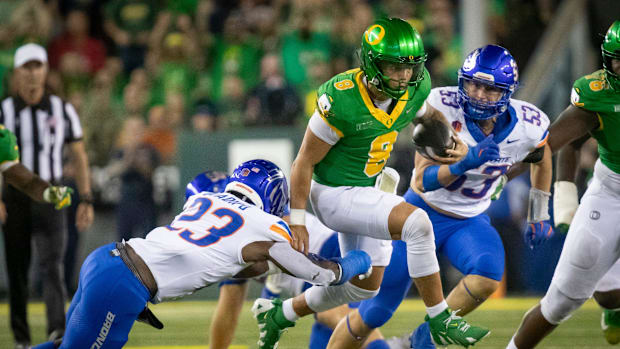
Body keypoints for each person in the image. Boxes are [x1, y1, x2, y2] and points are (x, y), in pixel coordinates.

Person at [252, 17, 490, 349]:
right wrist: (298, 221)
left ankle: (280, 314)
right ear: (371, 62)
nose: (404, 75)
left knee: (364, 288)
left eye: (409, 67)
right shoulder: (342, 99)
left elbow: (426, 118)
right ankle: (440, 317)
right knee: (418, 224)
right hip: (333, 193)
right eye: (394, 66)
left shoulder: (414, 88)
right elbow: (304, 161)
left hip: (365, 189)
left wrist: (451, 141)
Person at [336, 44, 553, 349]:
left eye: (490, 88)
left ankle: (421, 340)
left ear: (508, 92)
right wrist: (464, 163)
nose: (478, 94)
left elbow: (542, 157)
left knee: (488, 275)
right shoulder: (442, 107)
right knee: (374, 312)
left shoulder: (529, 126)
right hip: (418, 214)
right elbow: (423, 181)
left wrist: (539, 209)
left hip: (469, 220)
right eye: (473, 84)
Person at [32, 159, 372, 349]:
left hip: (106, 258)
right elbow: (319, 274)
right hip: (124, 286)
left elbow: (218, 261)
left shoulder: (203, 200)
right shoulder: (265, 224)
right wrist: (355, 263)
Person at [507, 20, 620, 349]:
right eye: (618, 60)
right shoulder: (598, 94)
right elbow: (552, 143)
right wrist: (499, 175)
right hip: (611, 191)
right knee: (562, 300)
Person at [205, 168, 400, 349]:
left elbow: (230, 306)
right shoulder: (250, 221)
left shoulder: (242, 229)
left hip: (321, 255)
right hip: (322, 253)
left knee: (336, 316)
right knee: (331, 334)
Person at [0, 43, 94, 349]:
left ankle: (57, 334)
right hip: (13, 195)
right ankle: (21, 339)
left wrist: (87, 197)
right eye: (26, 67)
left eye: (37, 66)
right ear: (16, 73)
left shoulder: (62, 108)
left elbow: (79, 154)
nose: (32, 73)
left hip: (52, 195)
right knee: (17, 271)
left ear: (46, 70)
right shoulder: (4, 110)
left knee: (53, 266)